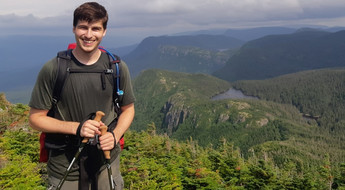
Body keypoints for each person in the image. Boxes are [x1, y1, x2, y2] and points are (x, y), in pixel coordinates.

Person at [28, 2, 135, 189]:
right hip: (64, 165)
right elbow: (35, 119)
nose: (88, 34)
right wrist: (77, 128)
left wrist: (114, 135)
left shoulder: (116, 68)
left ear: (104, 32)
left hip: (105, 160)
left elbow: (128, 109)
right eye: (83, 27)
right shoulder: (54, 69)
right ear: (74, 29)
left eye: (95, 28)